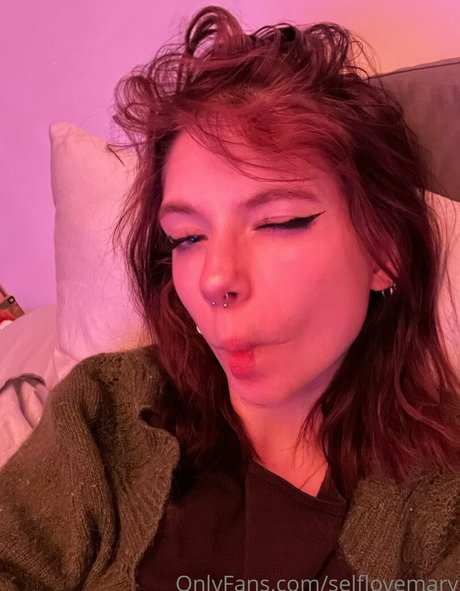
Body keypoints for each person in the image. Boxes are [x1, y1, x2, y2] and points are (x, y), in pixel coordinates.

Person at [1, 5, 460, 590]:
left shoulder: (442, 499)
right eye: (187, 238)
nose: (214, 280)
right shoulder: (103, 414)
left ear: (382, 252)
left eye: (278, 223)